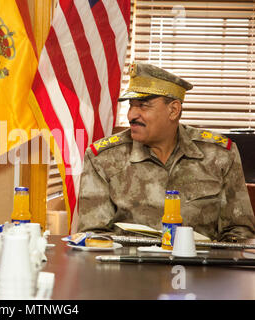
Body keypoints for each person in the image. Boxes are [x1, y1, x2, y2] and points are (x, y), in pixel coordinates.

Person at [77, 62, 255, 242]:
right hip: (130, 266)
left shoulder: (218, 155)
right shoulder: (103, 158)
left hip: (201, 265)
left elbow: (239, 233)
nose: (131, 115)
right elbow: (94, 237)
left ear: (173, 110)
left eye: (143, 105)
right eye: (131, 105)